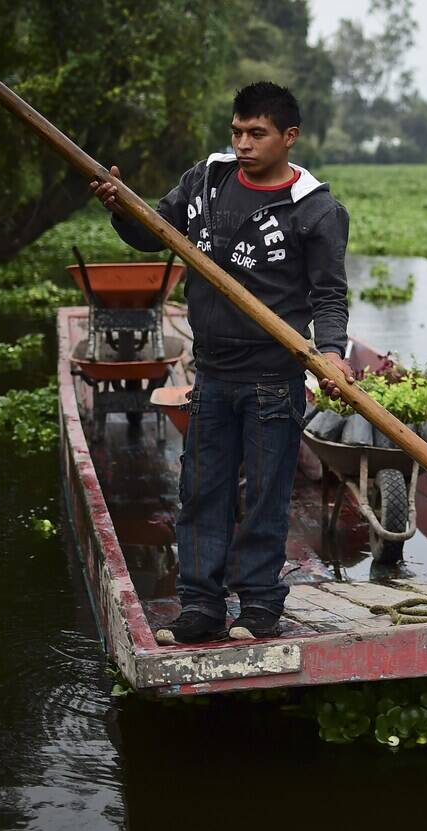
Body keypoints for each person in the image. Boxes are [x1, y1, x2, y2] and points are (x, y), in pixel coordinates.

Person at [90, 81, 355, 644]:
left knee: (264, 495)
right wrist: (120, 207)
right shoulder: (205, 181)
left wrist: (330, 351)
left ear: (289, 137)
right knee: (202, 492)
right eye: (237, 131)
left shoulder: (315, 208)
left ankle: (259, 607)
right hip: (211, 373)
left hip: (274, 379)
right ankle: (201, 607)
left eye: (256, 134)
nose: (243, 143)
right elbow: (151, 232)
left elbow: (329, 294)